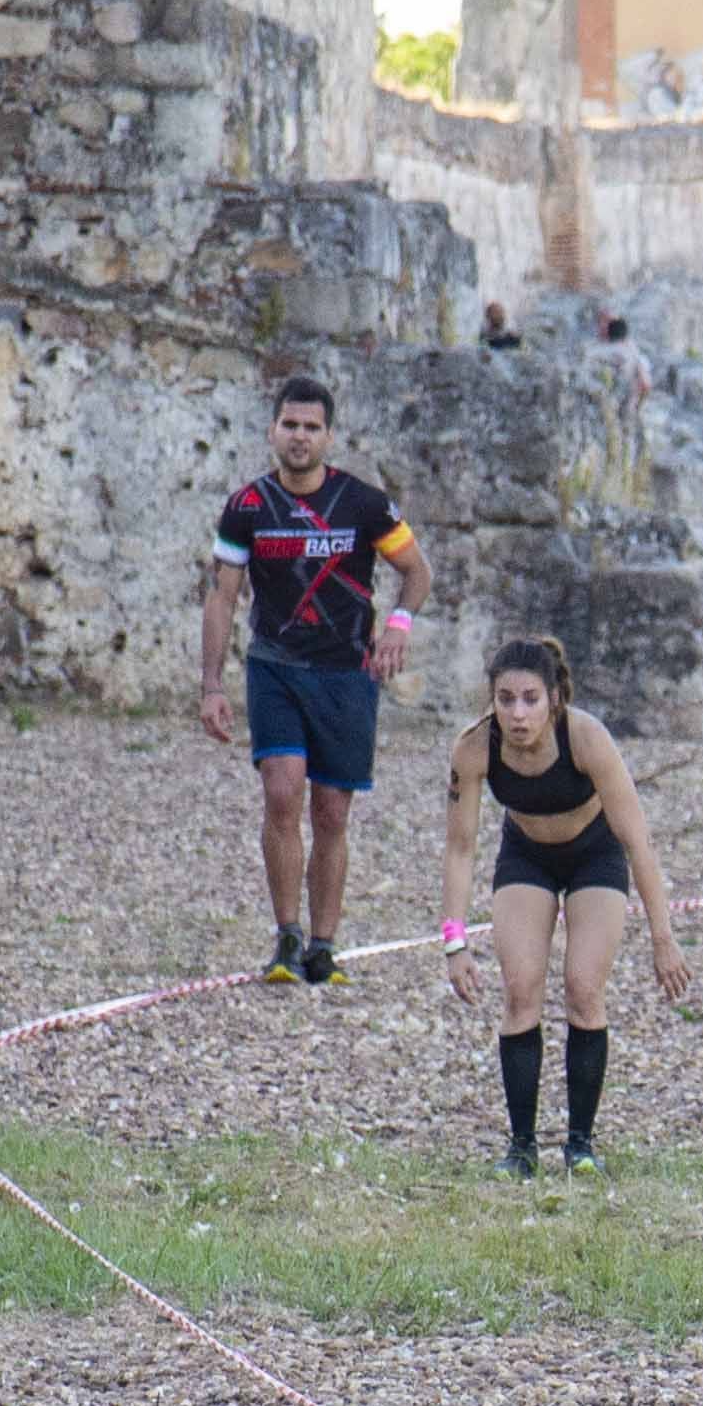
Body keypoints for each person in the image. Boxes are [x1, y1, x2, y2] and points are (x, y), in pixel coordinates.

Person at [202, 374, 433, 984]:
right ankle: (286, 936)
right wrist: (211, 686)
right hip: (275, 666)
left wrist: (398, 629)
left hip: (346, 674)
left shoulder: (365, 504)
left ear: (329, 436)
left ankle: (323, 947)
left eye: (311, 427)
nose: (299, 437)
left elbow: (416, 571)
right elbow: (222, 598)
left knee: (331, 811)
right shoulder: (246, 507)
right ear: (273, 430)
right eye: (289, 425)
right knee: (282, 792)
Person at [438, 636, 695, 1178]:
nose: (517, 712)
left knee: (583, 988)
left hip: (593, 857)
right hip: (526, 857)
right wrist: (454, 942)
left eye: (530, 698)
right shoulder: (473, 748)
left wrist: (662, 938)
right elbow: (460, 848)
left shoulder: (585, 737)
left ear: (553, 698)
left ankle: (580, 1143)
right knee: (520, 990)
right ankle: (521, 1147)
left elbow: (637, 839)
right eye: (505, 699)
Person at [584, 315, 654, 410]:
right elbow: (643, 377)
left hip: (615, 391)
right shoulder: (631, 348)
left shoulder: (599, 349)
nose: (601, 329)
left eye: (604, 326)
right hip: (625, 391)